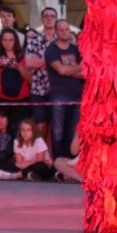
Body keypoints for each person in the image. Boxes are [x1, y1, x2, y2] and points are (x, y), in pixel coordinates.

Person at [45, 19, 84, 158]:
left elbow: (85, 74)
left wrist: (68, 70)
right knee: (57, 132)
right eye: (61, 29)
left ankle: (70, 162)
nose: (64, 32)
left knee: (73, 132)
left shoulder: (76, 49)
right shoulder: (51, 50)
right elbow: (61, 70)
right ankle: (57, 162)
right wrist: (79, 67)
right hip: (59, 95)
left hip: (77, 95)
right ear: (56, 31)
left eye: (66, 29)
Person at [25, 7, 58, 151]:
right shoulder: (34, 39)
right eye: (46, 16)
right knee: (41, 125)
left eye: (52, 16)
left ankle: (53, 156)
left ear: (56, 19)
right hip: (38, 88)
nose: (49, 18)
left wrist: (40, 61)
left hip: (58, 88)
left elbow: (68, 62)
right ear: (42, 19)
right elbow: (29, 63)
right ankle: (39, 153)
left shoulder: (62, 39)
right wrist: (53, 60)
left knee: (57, 126)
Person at [0, 28, 32, 126]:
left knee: (19, 130)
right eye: (5, 40)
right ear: (1, 41)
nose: (8, 43)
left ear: (15, 41)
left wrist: (19, 68)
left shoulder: (24, 57)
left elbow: (31, 80)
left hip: (21, 101)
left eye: (10, 40)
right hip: (1, 101)